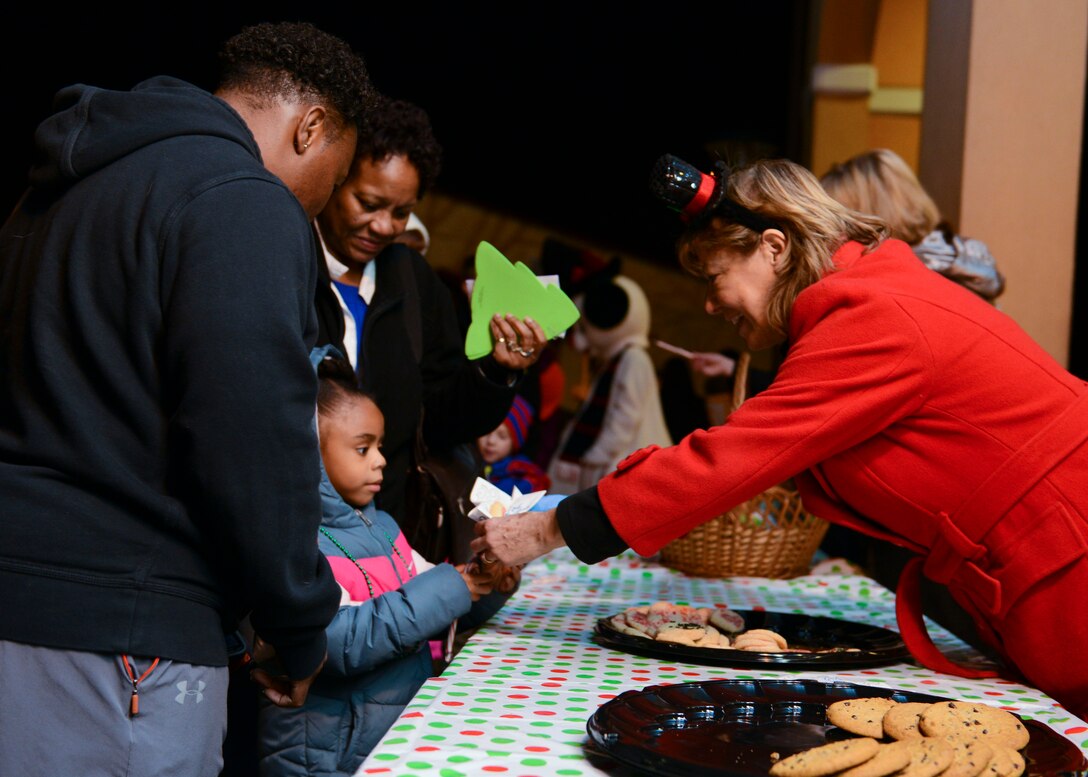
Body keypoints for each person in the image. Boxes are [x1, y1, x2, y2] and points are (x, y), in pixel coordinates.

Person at [472, 155, 1088, 719]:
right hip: (1045, 561)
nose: (711, 306)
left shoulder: (869, 316)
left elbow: (726, 461)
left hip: (1066, 561)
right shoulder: (871, 297)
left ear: (774, 247)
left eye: (714, 277)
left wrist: (541, 531)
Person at [0, 21, 372, 776]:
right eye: (333, 181)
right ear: (312, 127)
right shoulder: (243, 198)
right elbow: (252, 445)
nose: (318, 203)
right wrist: (300, 627)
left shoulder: (56, 191)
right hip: (123, 632)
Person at [258, 350, 515, 776]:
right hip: (325, 752)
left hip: (385, 739)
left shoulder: (383, 527)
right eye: (362, 448)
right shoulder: (295, 541)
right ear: (309, 453)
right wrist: (454, 587)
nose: (380, 459)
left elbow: (432, 595)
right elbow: (336, 644)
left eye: (378, 445)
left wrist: (485, 582)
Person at [312, 96, 546, 550]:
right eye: (369, 203)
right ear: (335, 177)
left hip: (391, 535)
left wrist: (497, 371)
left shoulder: (413, 280)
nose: (384, 226)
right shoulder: (286, 261)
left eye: (400, 212)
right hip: (293, 532)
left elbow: (442, 418)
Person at [819, 148, 1006, 303]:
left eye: (843, 222)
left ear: (871, 218)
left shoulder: (909, 280)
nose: (836, 237)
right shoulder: (967, 258)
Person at [547, 271, 673, 494]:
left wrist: (598, 454)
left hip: (624, 467)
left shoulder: (634, 359)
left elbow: (626, 416)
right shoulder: (617, 360)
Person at [478, 395, 552, 494]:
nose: (491, 441)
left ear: (515, 442)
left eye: (502, 436)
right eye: (486, 431)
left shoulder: (521, 479)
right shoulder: (465, 458)